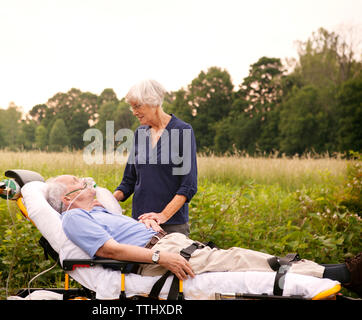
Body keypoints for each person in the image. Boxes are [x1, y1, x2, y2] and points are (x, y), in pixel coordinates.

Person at [45, 174, 362, 296]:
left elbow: (119, 234)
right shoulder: (73, 217)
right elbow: (112, 251)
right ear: (67, 196)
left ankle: (335, 275)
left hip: (166, 241)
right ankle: (343, 273)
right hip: (160, 255)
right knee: (238, 259)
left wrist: (148, 225)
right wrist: (160, 255)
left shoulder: (98, 211)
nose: (87, 181)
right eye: (77, 180)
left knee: (237, 259)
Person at [113, 79, 198, 236]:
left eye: (137, 106)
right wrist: (106, 201)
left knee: (172, 261)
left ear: (154, 102)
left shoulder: (182, 131)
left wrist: (163, 216)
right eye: (132, 107)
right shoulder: (141, 133)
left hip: (172, 226)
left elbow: (189, 185)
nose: (134, 111)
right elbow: (128, 181)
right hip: (141, 224)